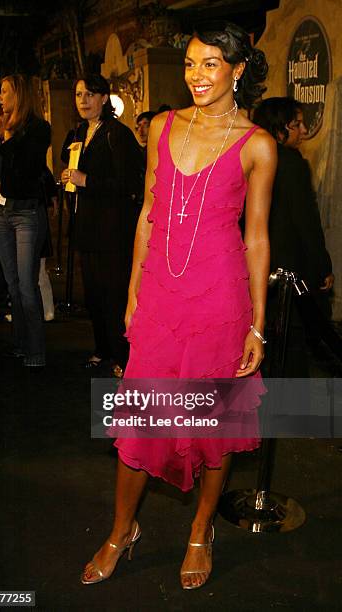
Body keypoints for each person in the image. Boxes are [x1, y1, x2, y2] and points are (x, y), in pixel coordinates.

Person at [81, 23, 277, 589]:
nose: (197, 75)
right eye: (191, 63)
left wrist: (258, 327)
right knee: (142, 422)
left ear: (237, 70)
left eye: (211, 64)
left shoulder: (257, 144)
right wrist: (133, 292)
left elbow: (257, 238)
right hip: (161, 299)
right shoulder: (162, 127)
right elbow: (147, 210)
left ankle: (200, 530)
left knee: (213, 428)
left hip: (221, 301)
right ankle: (122, 530)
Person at [61, 73, 144, 376]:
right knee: (94, 295)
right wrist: (71, 176)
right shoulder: (81, 132)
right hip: (86, 227)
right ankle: (102, 349)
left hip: (112, 230)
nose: (83, 100)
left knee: (115, 294)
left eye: (90, 94)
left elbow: (128, 183)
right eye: (79, 94)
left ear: (104, 98)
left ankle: (125, 356)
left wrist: (87, 180)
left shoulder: (117, 134)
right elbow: (70, 162)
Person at [253, 97, 334, 376]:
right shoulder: (291, 164)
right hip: (290, 273)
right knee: (292, 347)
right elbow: (306, 222)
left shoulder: (250, 158)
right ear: (279, 129)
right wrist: (323, 266)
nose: (302, 131)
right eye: (295, 124)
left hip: (256, 269)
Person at [0, 74, 51, 367]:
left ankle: (36, 351)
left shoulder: (38, 129)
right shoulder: (4, 128)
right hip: (0, 212)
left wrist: (8, 139)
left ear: (19, 95)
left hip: (25, 212)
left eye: (4, 92)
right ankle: (20, 344)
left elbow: (27, 168)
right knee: (12, 284)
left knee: (27, 285)